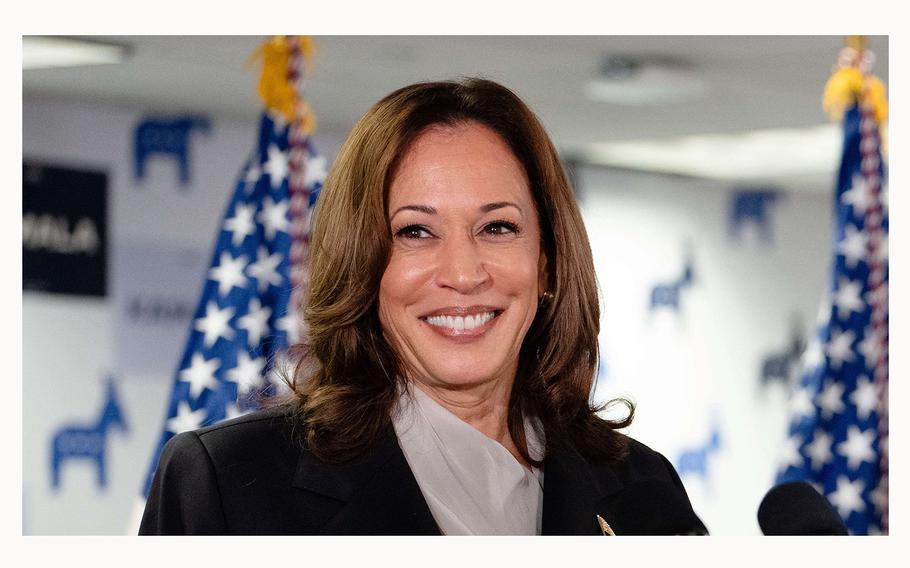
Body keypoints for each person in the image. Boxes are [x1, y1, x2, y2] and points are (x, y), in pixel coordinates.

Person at [139, 78, 707, 536]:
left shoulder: (640, 490)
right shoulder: (228, 483)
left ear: (549, 265)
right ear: (362, 263)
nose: (462, 273)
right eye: (415, 232)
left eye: (498, 227)